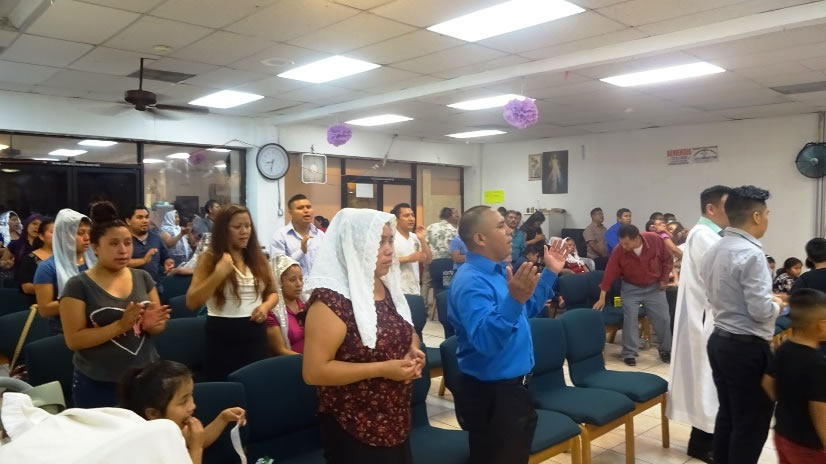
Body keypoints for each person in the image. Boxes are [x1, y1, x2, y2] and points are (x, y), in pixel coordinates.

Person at [302, 208, 425, 464]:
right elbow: (314, 371)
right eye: (379, 242)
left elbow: (406, 328)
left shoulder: (383, 284)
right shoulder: (330, 301)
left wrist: (412, 348)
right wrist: (382, 369)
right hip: (354, 423)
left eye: (390, 240)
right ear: (355, 245)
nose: (389, 250)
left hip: (394, 415)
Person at [447, 205, 568, 464]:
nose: (510, 231)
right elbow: (486, 340)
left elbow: (526, 308)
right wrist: (513, 300)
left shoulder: (499, 270)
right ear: (480, 238)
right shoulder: (471, 281)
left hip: (513, 389)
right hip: (492, 394)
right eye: (501, 226)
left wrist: (550, 272)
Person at [60, 201, 170, 408]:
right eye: (113, 244)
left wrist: (152, 324)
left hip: (144, 377)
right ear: (95, 248)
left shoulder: (142, 277)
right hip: (98, 382)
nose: (123, 250)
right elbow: (73, 340)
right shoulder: (78, 285)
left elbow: (158, 326)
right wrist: (120, 326)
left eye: (128, 243)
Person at [701, 185, 782, 464]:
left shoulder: (715, 248)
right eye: (767, 214)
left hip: (720, 341)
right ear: (757, 216)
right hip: (746, 348)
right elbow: (761, 312)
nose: (768, 219)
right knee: (751, 424)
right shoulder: (752, 253)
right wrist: (778, 305)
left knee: (729, 415)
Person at [667, 185, 731, 463]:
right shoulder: (704, 235)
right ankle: (702, 443)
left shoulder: (710, 234)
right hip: (704, 318)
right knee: (706, 380)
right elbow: (722, 276)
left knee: (709, 381)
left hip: (708, 316)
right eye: (728, 206)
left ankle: (705, 439)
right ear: (711, 208)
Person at [186, 205, 277, 381]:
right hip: (222, 334)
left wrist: (265, 306)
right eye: (237, 227)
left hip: (255, 332)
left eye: (248, 226)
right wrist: (218, 274)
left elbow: (273, 293)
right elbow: (192, 302)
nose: (244, 231)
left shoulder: (257, 257)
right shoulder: (209, 258)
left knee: (255, 384)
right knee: (225, 387)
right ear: (223, 230)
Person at [119, 360, 246, 464]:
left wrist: (222, 419)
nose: (193, 406)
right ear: (153, 414)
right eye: (183, 401)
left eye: (191, 395)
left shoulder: (174, 426)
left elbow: (198, 440)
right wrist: (196, 450)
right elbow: (196, 445)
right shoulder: (147, 449)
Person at [761, 289, 826, 463]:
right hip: (810, 445)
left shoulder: (784, 348)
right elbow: (820, 410)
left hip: (783, 434)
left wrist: (786, 401)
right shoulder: (819, 364)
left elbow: (767, 382)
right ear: (822, 325)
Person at [594, 224, 673, 366]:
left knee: (663, 318)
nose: (624, 247)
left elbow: (667, 259)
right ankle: (629, 353)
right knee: (630, 319)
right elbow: (610, 272)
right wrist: (602, 296)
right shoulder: (619, 250)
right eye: (621, 243)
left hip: (654, 287)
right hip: (631, 288)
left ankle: (666, 350)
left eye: (627, 244)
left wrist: (664, 278)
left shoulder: (654, 239)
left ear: (636, 238)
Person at [34, 209, 96, 335]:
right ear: (65, 236)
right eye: (80, 233)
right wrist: (84, 300)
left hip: (95, 323)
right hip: (62, 330)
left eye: (89, 233)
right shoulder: (47, 267)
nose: (87, 238)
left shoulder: (95, 262)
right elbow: (45, 309)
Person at [270, 194, 325, 276]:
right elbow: (278, 269)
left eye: (308, 207)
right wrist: (301, 251)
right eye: (300, 208)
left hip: (318, 283)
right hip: (295, 284)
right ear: (290, 213)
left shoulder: (320, 235)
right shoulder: (280, 236)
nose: (306, 211)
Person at [266, 255, 306, 356]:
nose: (299, 284)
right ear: (279, 282)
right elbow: (280, 350)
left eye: (301, 279)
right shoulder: (272, 313)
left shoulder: (306, 305)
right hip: (292, 362)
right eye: (292, 280)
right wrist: (308, 361)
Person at [391, 203, 431, 295]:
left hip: (415, 289)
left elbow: (428, 260)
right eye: (406, 216)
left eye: (412, 215)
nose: (411, 219)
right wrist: (408, 258)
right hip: (398, 290)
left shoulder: (415, 237)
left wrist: (422, 239)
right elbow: (384, 261)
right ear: (396, 219)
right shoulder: (391, 237)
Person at [126, 206, 174, 284]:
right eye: (139, 217)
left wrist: (167, 261)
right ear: (128, 221)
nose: (145, 221)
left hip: (155, 286)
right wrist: (143, 260)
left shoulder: (156, 238)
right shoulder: (124, 241)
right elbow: (121, 263)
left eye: (147, 217)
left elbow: (165, 256)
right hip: (132, 287)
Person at [16, 217, 53, 300]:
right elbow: (26, 287)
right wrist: (53, 289)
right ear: (41, 236)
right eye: (53, 232)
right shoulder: (30, 259)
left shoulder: (66, 257)